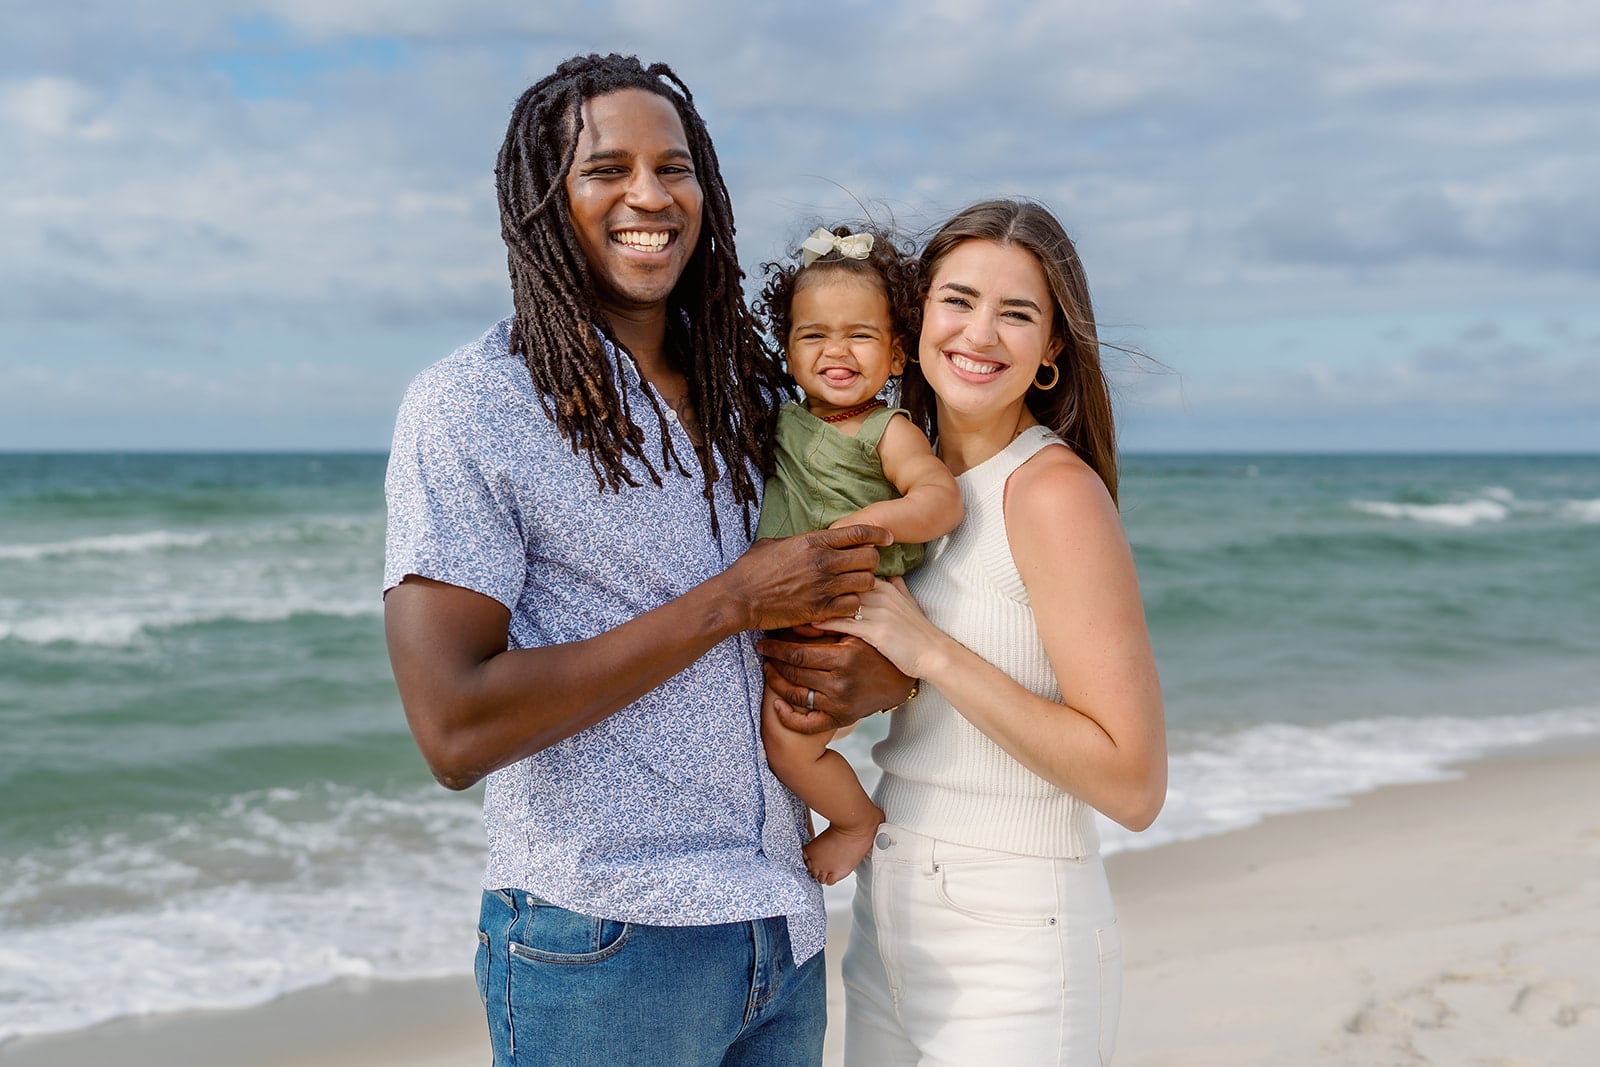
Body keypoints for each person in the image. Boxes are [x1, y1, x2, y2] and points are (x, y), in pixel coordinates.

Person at [382, 54, 913, 1067]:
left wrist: (880, 676)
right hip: (604, 943)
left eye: (674, 167)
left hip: (782, 928)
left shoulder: (762, 397)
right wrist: (729, 602)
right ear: (543, 201)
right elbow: (453, 728)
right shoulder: (471, 406)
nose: (650, 195)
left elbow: (857, 598)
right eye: (605, 169)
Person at [817, 199, 1168, 1065]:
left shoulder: (1052, 493)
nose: (979, 333)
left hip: (1015, 933)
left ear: (1051, 351)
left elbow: (1134, 784)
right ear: (915, 320)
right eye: (958, 300)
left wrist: (933, 652)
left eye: (1016, 313)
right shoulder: (904, 486)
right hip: (886, 908)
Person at [752, 224, 964, 886]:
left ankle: (854, 820)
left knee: (789, 742)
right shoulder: (783, 422)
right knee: (778, 726)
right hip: (796, 612)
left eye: (860, 336)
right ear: (789, 352)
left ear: (897, 356)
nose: (836, 350)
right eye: (814, 335)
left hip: (854, 608)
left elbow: (940, 499)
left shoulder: (887, 429)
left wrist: (871, 523)